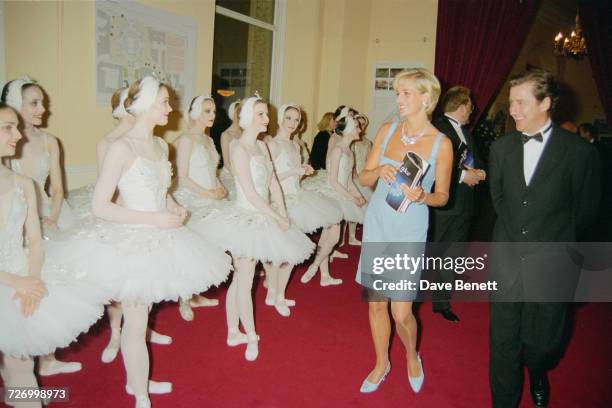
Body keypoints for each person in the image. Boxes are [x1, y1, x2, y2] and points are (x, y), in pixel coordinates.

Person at [47, 76, 233, 408]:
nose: (170, 107)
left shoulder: (163, 146)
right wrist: (154, 219)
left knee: (142, 317)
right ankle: (141, 395)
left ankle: (138, 384)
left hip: (160, 236)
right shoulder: (121, 147)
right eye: (164, 102)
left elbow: (161, 192)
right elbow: (100, 206)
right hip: (131, 240)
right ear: (146, 105)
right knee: (135, 324)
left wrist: (172, 207)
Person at [488, 69, 600, 408]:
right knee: (503, 342)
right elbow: (500, 200)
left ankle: (538, 370)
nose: (513, 110)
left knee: (544, 344)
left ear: (546, 103)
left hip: (552, 263)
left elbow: (587, 213)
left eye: (521, 102)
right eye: (511, 103)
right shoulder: (501, 148)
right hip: (506, 260)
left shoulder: (580, 153)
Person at [191, 96, 314, 360]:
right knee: (245, 280)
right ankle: (250, 335)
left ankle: (233, 330)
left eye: (266, 114)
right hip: (245, 218)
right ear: (247, 117)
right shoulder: (238, 147)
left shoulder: (262, 146)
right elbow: (248, 191)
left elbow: (272, 185)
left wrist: (282, 211)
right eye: (260, 114)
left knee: (242, 278)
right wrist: (275, 216)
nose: (266, 119)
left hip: (263, 216)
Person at [0, 102, 104, 406]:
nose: (18, 135)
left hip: (22, 273)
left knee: (21, 362)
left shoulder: (23, 184)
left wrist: (31, 278)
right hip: (8, 279)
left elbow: (34, 241)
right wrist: (15, 282)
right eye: (8, 127)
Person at [356, 68, 452, 394]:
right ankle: (382, 362)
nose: (398, 99)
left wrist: (424, 195)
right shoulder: (386, 130)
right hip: (378, 224)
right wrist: (378, 169)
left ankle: (412, 354)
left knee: (401, 311)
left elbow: (443, 196)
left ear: (426, 98)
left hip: (409, 230)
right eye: (397, 93)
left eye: (405, 93)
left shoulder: (442, 144)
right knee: (375, 303)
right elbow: (363, 178)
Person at [2, 76, 84, 376]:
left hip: (48, 213)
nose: (42, 108)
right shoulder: (7, 148)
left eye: (43, 102)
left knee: (55, 281)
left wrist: (51, 216)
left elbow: (58, 189)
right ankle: (19, 376)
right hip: (15, 218)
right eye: (34, 103)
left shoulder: (50, 142)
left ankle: (47, 360)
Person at [267, 103, 342, 296]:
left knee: (290, 249)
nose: (293, 123)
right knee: (284, 250)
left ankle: (277, 294)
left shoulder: (294, 145)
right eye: (289, 118)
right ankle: (274, 293)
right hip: (281, 200)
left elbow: (294, 177)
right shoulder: (272, 145)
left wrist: (303, 172)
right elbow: (268, 179)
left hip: (298, 195)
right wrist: (294, 171)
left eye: (297, 119)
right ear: (281, 119)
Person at [429, 86, 485, 322]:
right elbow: (433, 165)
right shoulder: (437, 128)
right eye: (470, 108)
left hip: (464, 204)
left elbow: (474, 160)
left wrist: (480, 172)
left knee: (453, 252)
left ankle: (442, 300)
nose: (471, 112)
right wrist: (463, 177)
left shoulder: (466, 133)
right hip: (445, 204)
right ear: (462, 107)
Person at [172, 94, 226, 321]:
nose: (212, 115)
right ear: (195, 114)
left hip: (211, 197)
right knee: (192, 253)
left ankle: (197, 294)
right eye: (207, 111)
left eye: (213, 111)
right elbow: (182, 178)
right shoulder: (186, 140)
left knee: (210, 250)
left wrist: (221, 187)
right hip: (193, 200)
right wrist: (208, 194)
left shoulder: (209, 140)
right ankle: (185, 298)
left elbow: (212, 171)